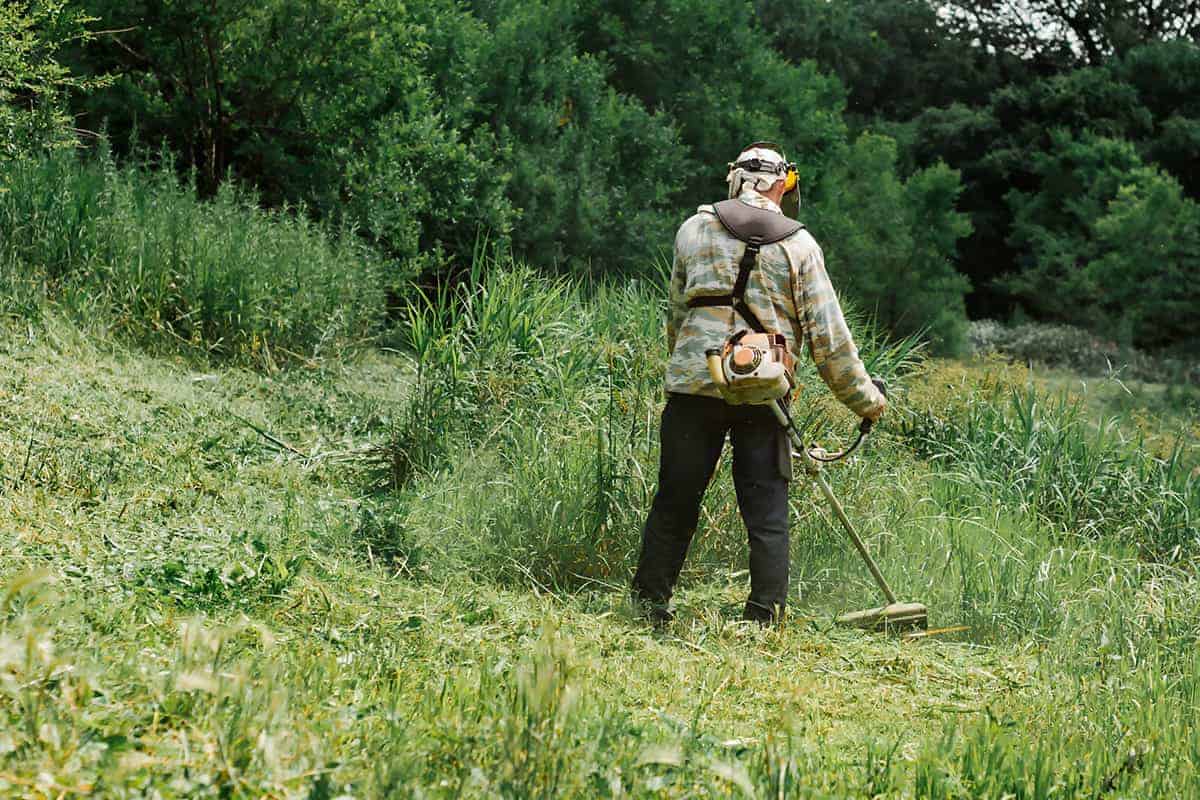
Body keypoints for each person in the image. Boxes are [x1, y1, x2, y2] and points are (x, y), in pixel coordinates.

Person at [631, 142, 887, 624]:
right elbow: (830, 343)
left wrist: (687, 366)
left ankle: (649, 604)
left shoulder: (693, 230)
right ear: (779, 185)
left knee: (675, 499)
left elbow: (676, 318)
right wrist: (868, 402)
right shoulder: (799, 245)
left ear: (735, 179)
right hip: (765, 392)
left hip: (695, 384)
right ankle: (764, 616)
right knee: (766, 510)